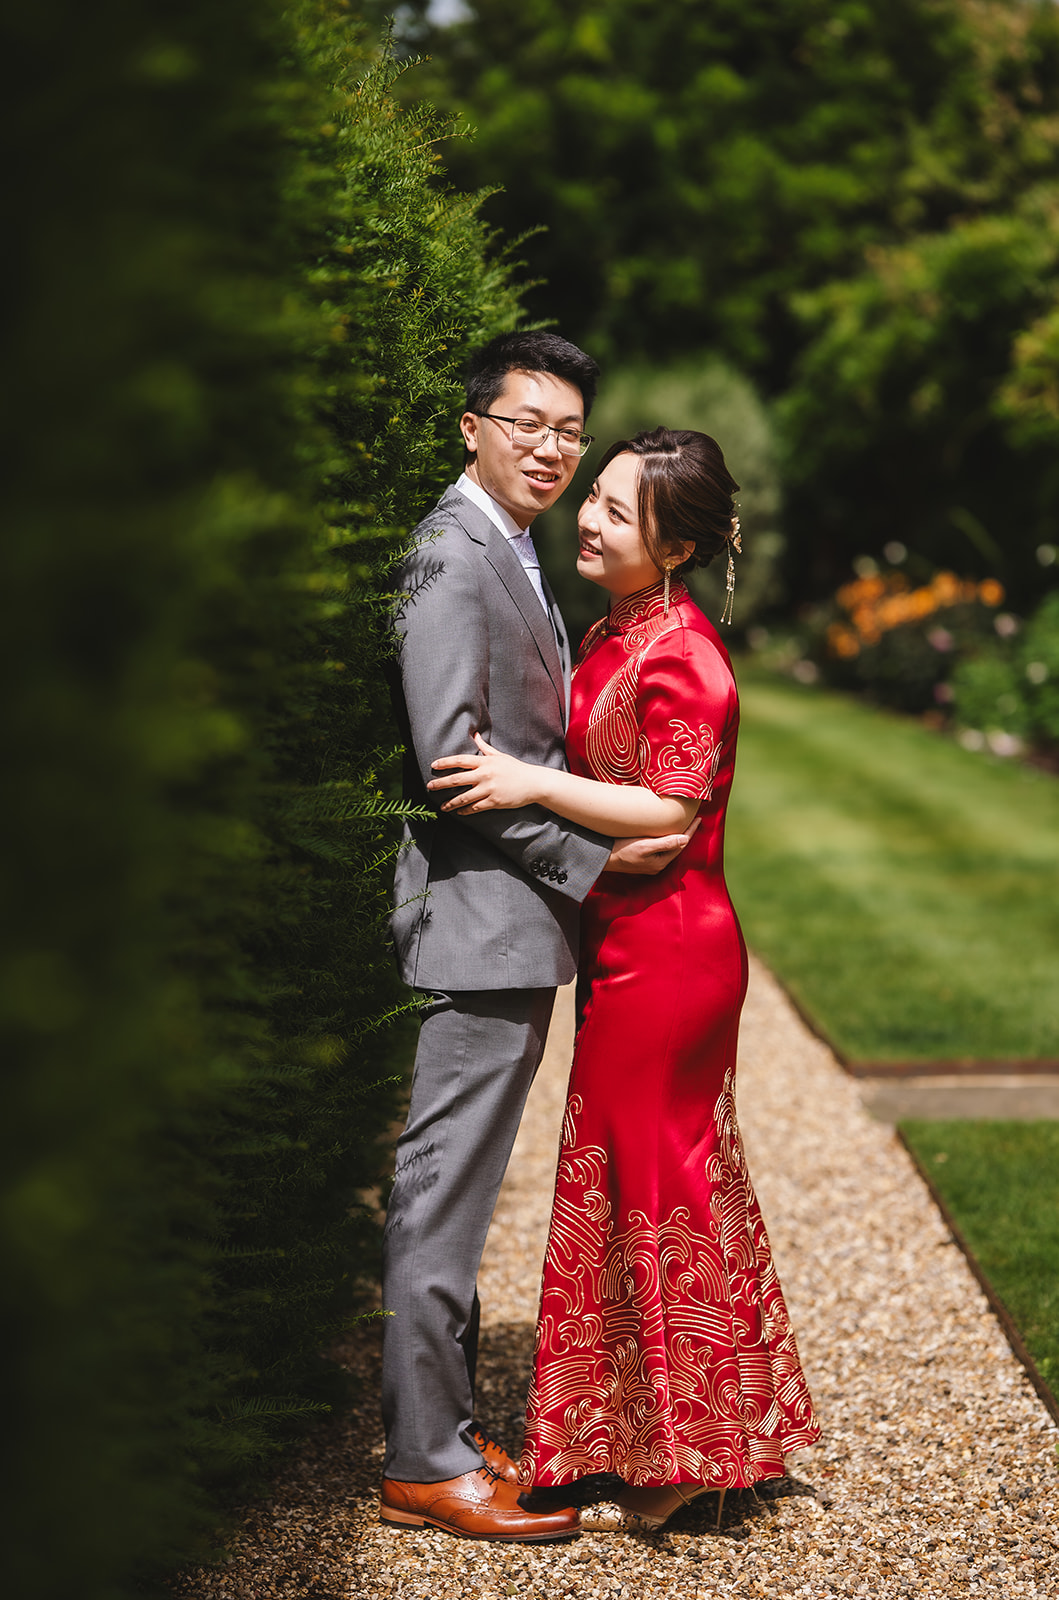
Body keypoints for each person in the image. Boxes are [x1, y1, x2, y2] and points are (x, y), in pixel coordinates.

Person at [429, 427, 822, 1532]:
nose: (587, 518)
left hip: (673, 950)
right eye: (592, 498)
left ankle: (682, 1455)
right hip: (625, 942)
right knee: (631, 1182)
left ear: (678, 543)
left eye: (614, 508)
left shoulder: (684, 654)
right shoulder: (618, 630)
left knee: (659, 1186)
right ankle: (661, 1433)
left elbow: (667, 816)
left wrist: (523, 781)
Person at [380, 337, 695, 1544]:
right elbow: (453, 764)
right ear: (472, 426)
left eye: (569, 428)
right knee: (439, 1199)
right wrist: (595, 858)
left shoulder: (508, 549)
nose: (551, 447)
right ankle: (424, 1461)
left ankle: (447, 1434)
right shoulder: (449, 557)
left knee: (450, 1193)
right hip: (474, 932)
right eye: (526, 421)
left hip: (507, 933)